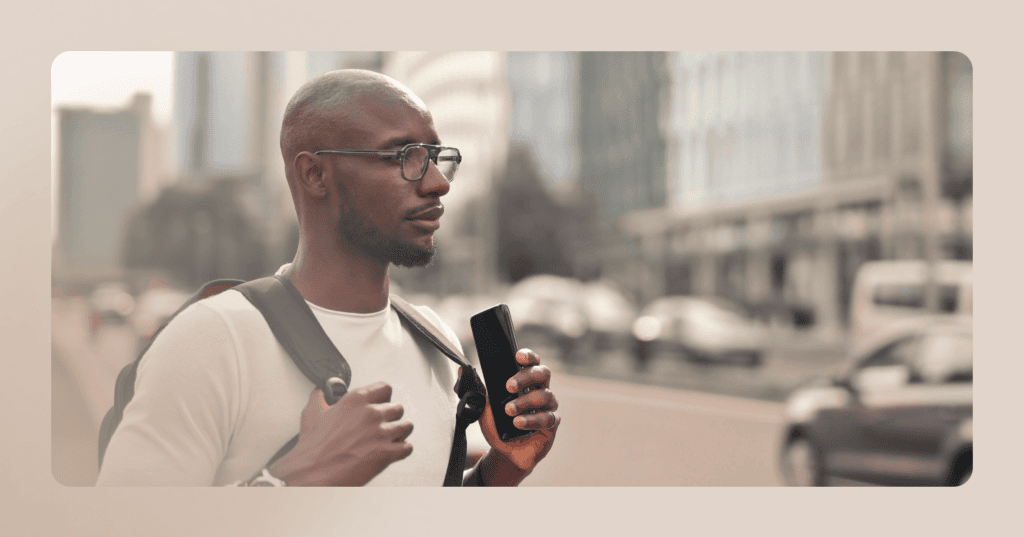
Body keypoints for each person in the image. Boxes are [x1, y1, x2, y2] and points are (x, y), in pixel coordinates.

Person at [97, 69, 560, 487]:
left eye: (437, 156)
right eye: (405, 155)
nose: (438, 181)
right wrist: (292, 481)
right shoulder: (213, 339)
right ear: (314, 173)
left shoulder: (437, 344)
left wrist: (501, 470)